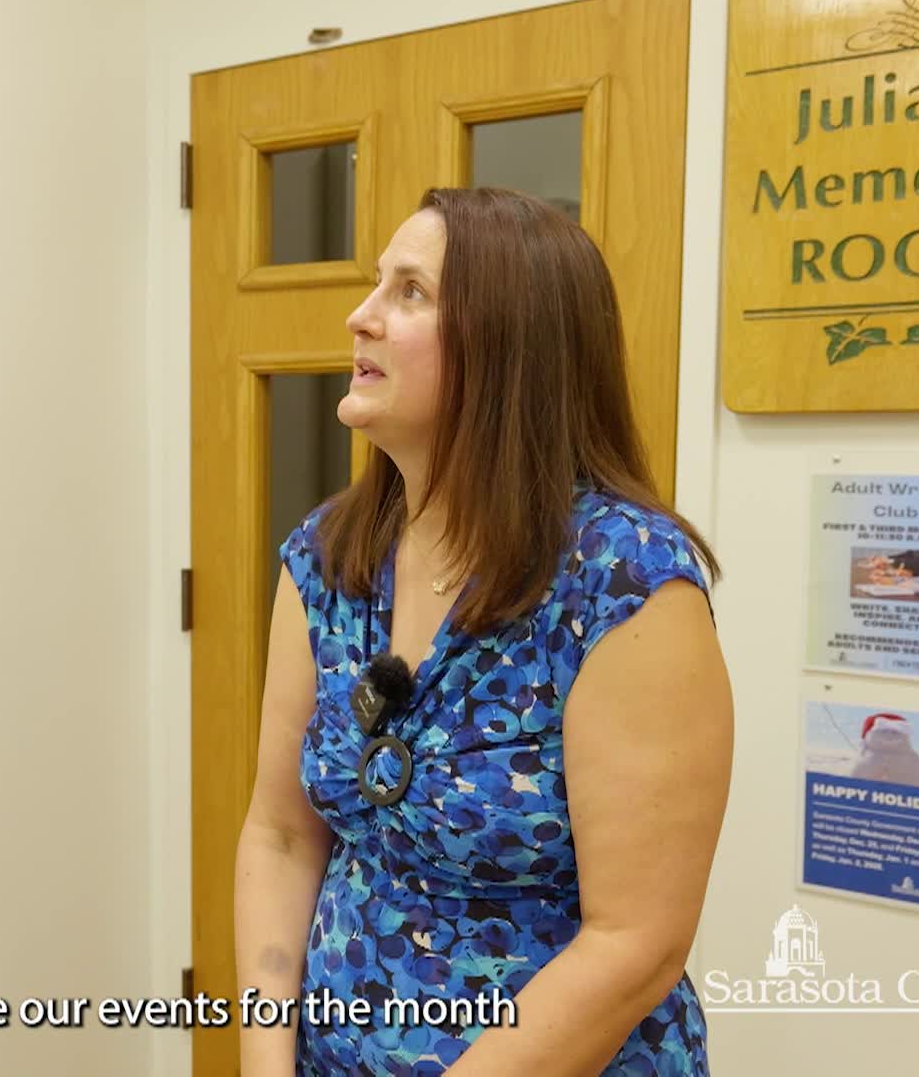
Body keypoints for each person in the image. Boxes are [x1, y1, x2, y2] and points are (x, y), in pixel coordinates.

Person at [233, 187, 734, 1076]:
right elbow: (280, 835)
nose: (361, 317)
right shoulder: (326, 558)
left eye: (410, 292)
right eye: (376, 284)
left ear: (508, 345)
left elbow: (636, 942)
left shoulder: (624, 581)